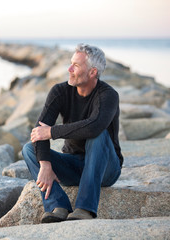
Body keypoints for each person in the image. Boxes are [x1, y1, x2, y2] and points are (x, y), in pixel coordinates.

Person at [22, 43, 123, 223]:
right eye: (71, 63)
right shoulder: (60, 91)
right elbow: (39, 130)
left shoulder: (108, 95)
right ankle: (58, 206)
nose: (69, 69)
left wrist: (52, 132)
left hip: (107, 169)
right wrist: (45, 165)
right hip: (74, 166)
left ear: (93, 72)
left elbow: (94, 126)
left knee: (98, 134)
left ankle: (84, 208)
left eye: (76, 66)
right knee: (29, 149)